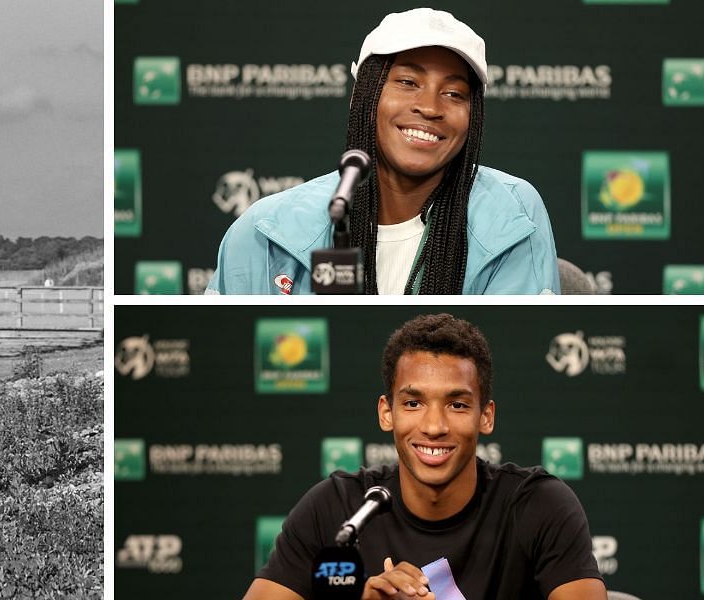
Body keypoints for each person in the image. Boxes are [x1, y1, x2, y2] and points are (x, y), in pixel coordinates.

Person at [242, 314, 605, 599]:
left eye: (457, 404)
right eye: (413, 403)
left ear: (486, 416)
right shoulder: (337, 509)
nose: (434, 426)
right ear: (387, 413)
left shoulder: (538, 505)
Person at [206, 8, 559, 295]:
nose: (429, 107)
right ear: (361, 98)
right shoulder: (264, 231)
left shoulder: (512, 216)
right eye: (408, 82)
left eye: (454, 93)